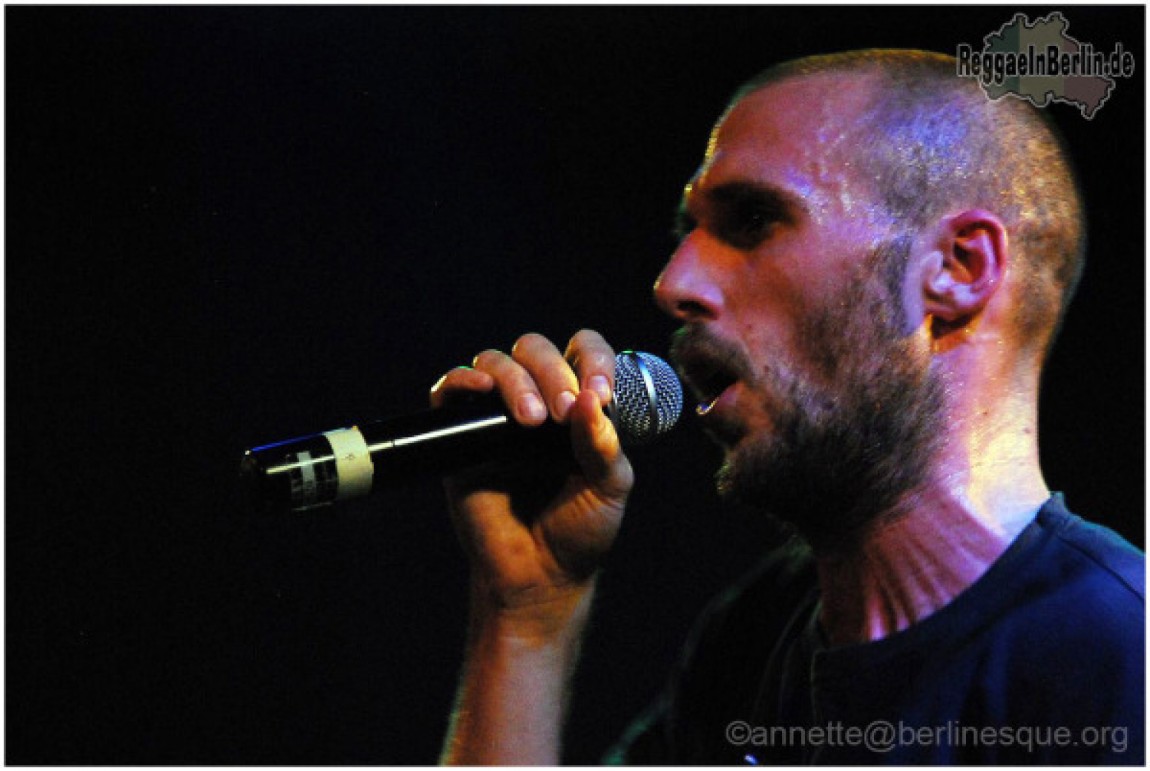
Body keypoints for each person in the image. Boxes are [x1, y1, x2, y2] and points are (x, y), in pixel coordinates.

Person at [429, 49, 1144, 765]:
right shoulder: (752, 635)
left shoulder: (1114, 654)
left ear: (958, 269)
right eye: (687, 234)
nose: (673, 284)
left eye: (753, 220)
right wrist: (527, 616)